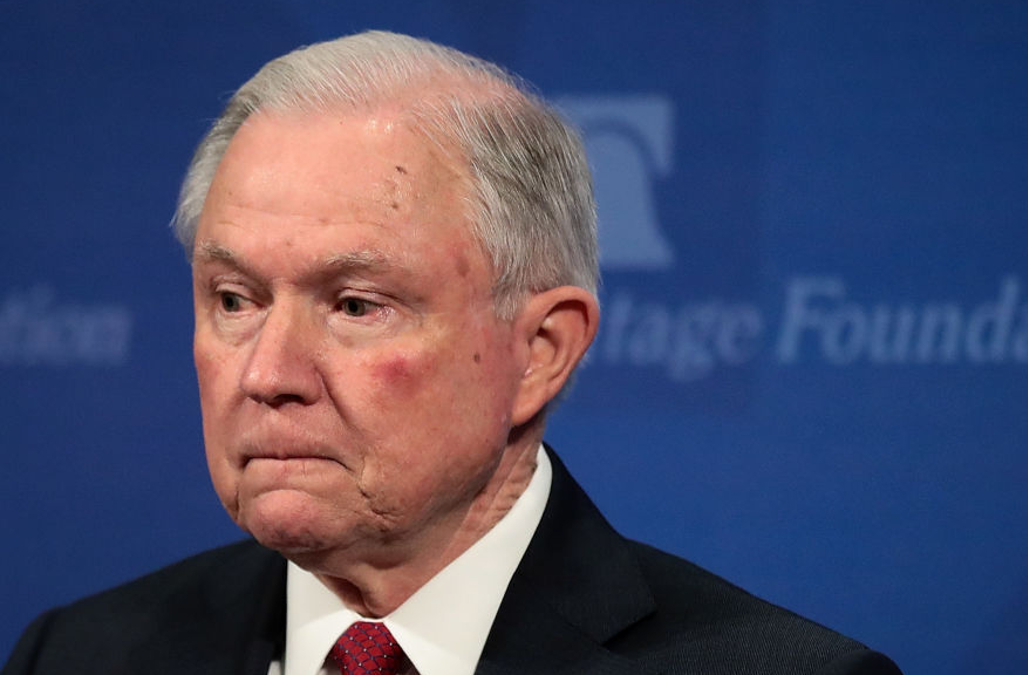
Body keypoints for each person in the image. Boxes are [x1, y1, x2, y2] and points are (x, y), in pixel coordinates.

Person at [2, 31, 902, 675]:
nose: (267, 374)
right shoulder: (80, 653)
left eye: (356, 305)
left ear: (541, 351)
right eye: (235, 300)